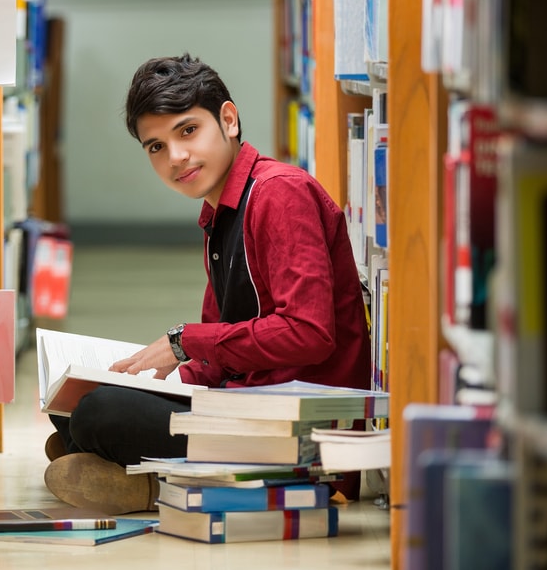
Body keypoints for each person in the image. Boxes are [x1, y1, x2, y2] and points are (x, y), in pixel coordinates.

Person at [43, 53, 372, 514]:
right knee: (76, 402)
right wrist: (167, 378)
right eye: (155, 147)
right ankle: (121, 459)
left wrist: (184, 343)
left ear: (229, 120)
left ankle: (152, 482)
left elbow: (310, 333)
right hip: (246, 403)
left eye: (188, 131)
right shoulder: (219, 214)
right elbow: (220, 354)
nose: (176, 157)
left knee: (101, 414)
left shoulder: (280, 194)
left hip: (295, 430)